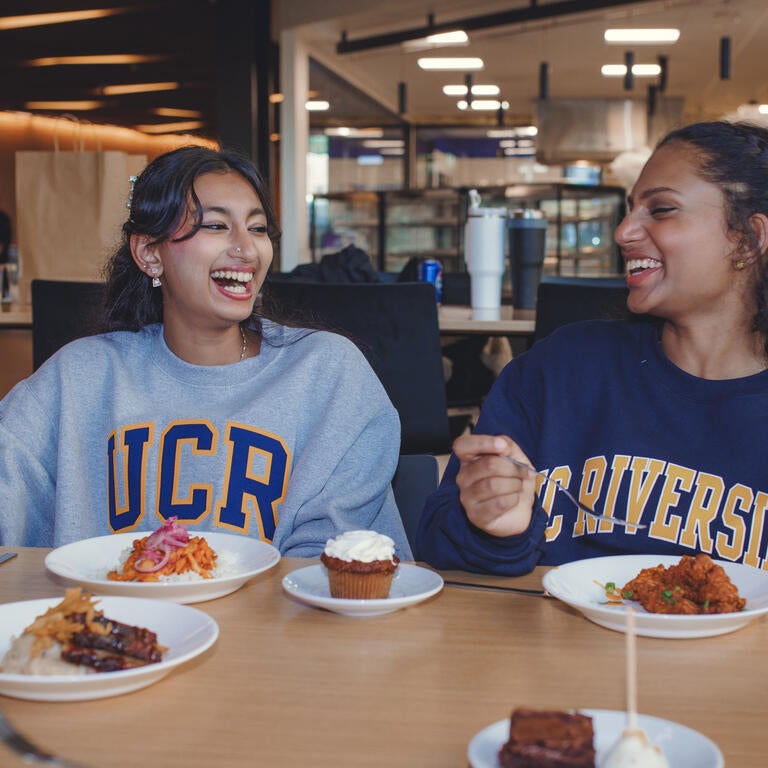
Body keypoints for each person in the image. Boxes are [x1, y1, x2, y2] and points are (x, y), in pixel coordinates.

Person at [0, 146, 412, 558]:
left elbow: (335, 560)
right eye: (216, 226)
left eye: (257, 228)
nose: (247, 250)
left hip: (275, 621)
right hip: (111, 618)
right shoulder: (78, 377)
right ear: (149, 254)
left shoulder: (328, 374)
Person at [417, 120, 768, 575]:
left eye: (661, 209)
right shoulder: (561, 367)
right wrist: (492, 526)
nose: (623, 231)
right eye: (629, 209)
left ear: (749, 238)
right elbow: (434, 544)